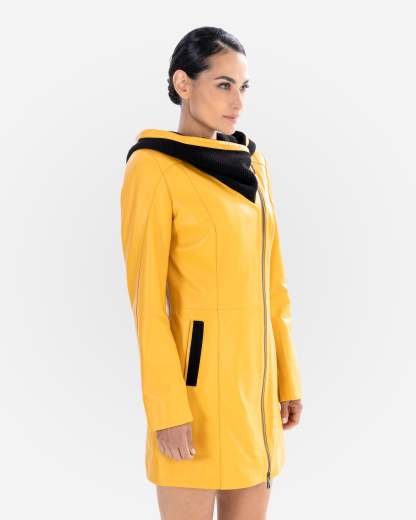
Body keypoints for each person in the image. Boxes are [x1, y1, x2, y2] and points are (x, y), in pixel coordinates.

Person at [120, 26, 303, 520]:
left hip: (256, 396)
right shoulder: (153, 168)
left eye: (243, 87)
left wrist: (287, 378)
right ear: (183, 83)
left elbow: (275, 284)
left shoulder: (253, 163)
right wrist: (167, 409)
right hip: (194, 400)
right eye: (223, 85)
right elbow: (147, 303)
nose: (237, 102)